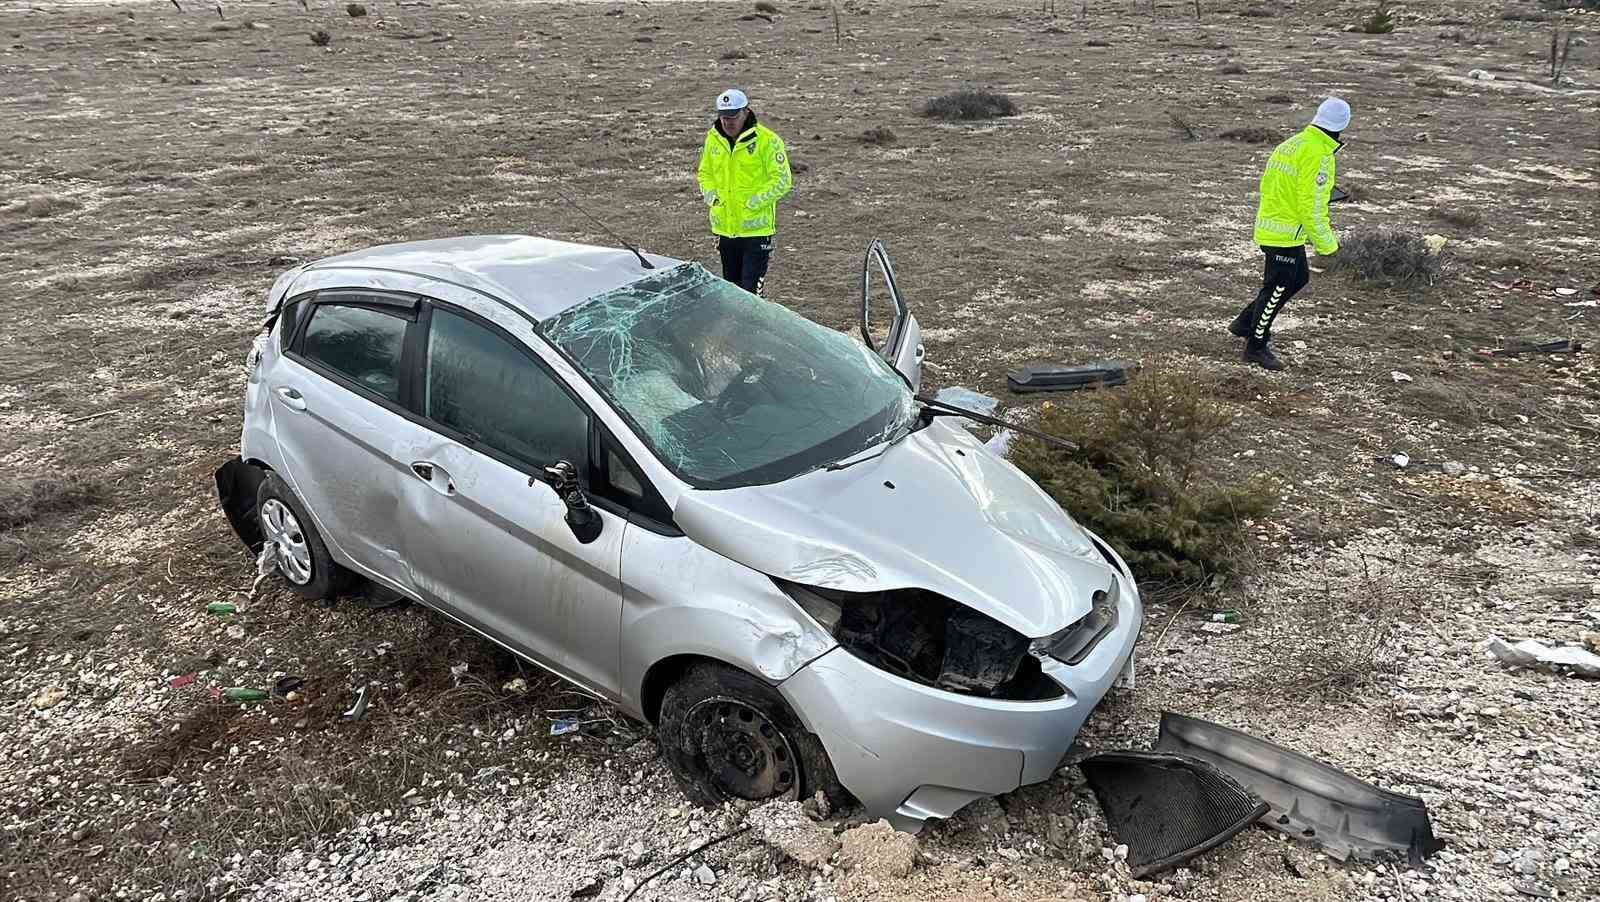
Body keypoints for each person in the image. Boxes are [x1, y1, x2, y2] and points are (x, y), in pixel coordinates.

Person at [1229, 97, 1351, 371]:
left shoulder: (1292, 144)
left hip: (1272, 225)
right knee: (1277, 288)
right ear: (1343, 125)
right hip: (1284, 233)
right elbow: (1312, 207)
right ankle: (1256, 346)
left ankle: (1245, 323)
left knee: (1298, 277)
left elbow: (1275, 186)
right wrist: (1328, 246)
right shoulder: (1318, 154)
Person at [696, 88, 793, 296]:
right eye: (723, 117)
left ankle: (754, 327)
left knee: (750, 293)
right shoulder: (713, 139)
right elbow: (705, 173)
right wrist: (712, 197)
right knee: (731, 290)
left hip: (756, 232)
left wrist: (752, 203)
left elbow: (782, 180)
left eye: (733, 116)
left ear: (746, 112)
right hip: (725, 229)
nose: (727, 122)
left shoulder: (768, 141)